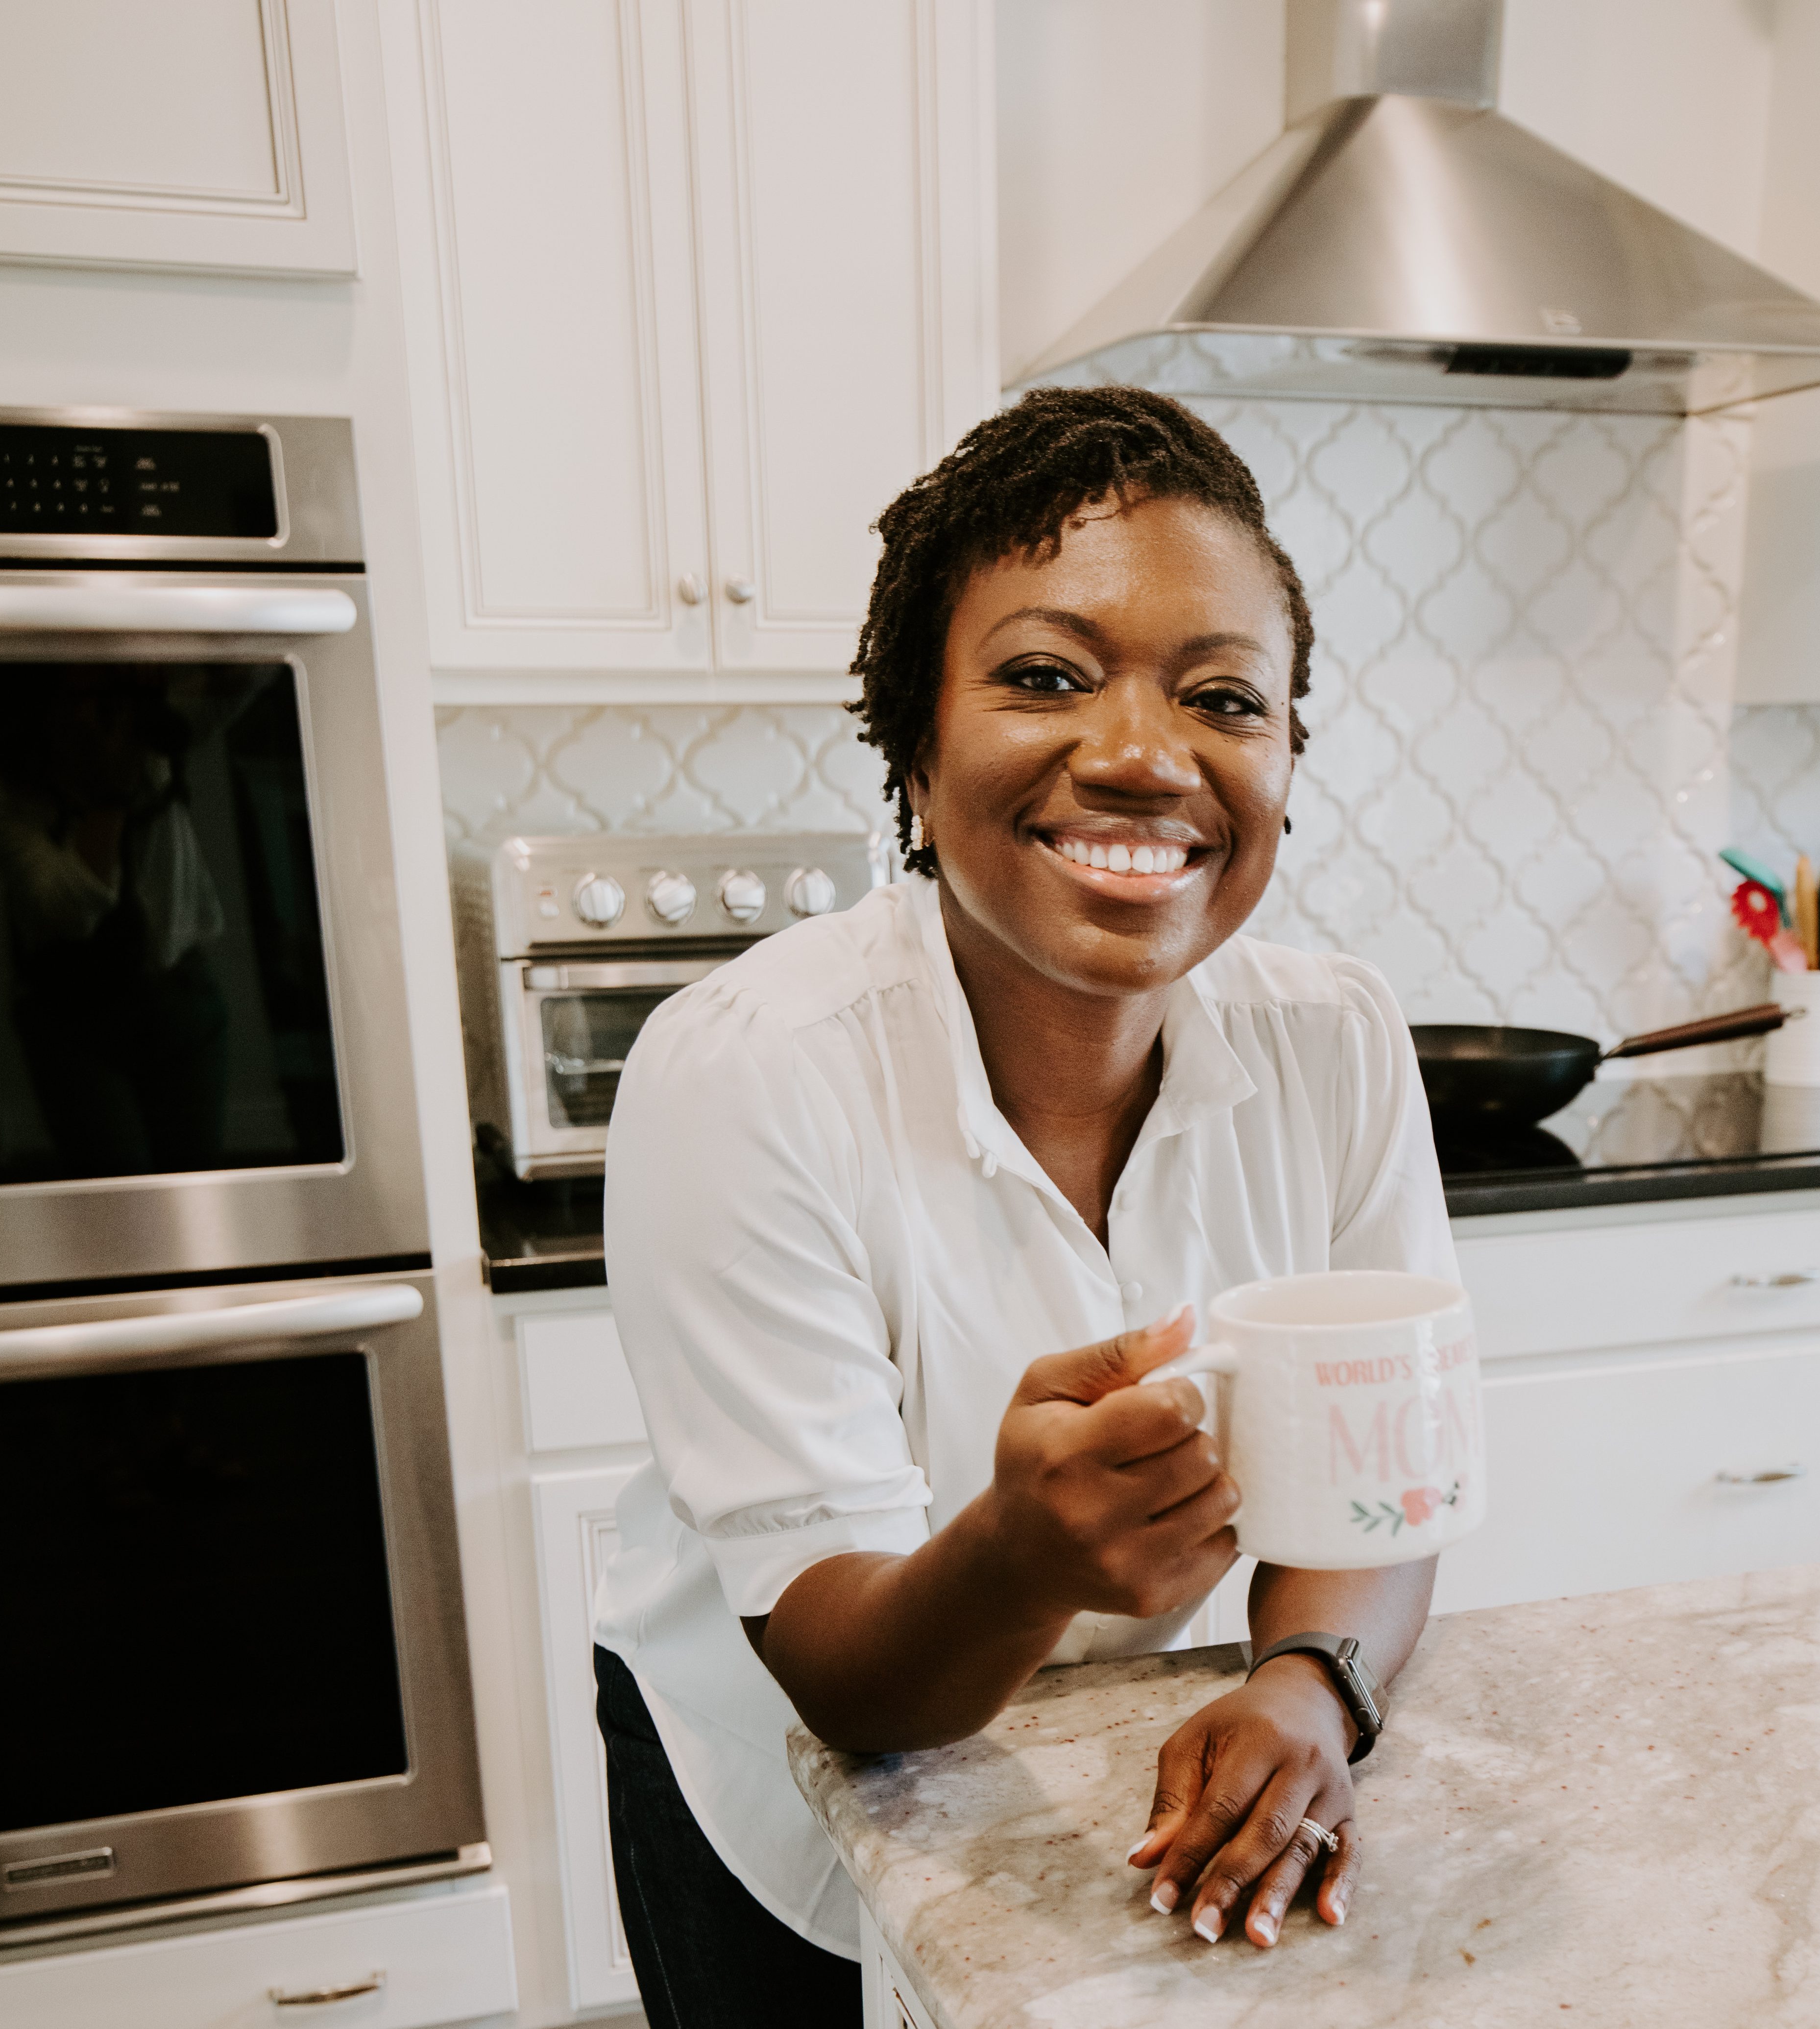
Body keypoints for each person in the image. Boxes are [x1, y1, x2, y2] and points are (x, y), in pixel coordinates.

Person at [594, 387, 1454, 2028]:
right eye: (1045, 675)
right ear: (914, 743)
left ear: (1282, 759)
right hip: (786, 1783)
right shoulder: (747, 1073)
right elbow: (849, 1681)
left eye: (1222, 696)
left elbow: (1381, 1495)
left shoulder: (1335, 1039)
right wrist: (1019, 1552)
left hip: (1136, 1767)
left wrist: (1308, 1682)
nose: (1140, 755)